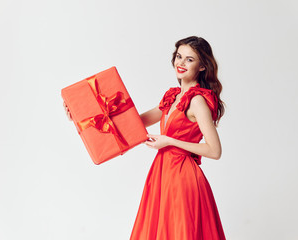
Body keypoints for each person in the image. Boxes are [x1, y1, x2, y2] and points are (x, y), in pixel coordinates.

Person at [63, 36, 226, 239]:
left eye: (189, 59)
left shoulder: (198, 101)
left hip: (183, 177)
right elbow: (134, 123)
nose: (181, 63)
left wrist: (169, 141)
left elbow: (214, 150)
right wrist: (81, 117)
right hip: (163, 172)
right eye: (179, 56)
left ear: (202, 66)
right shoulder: (173, 97)